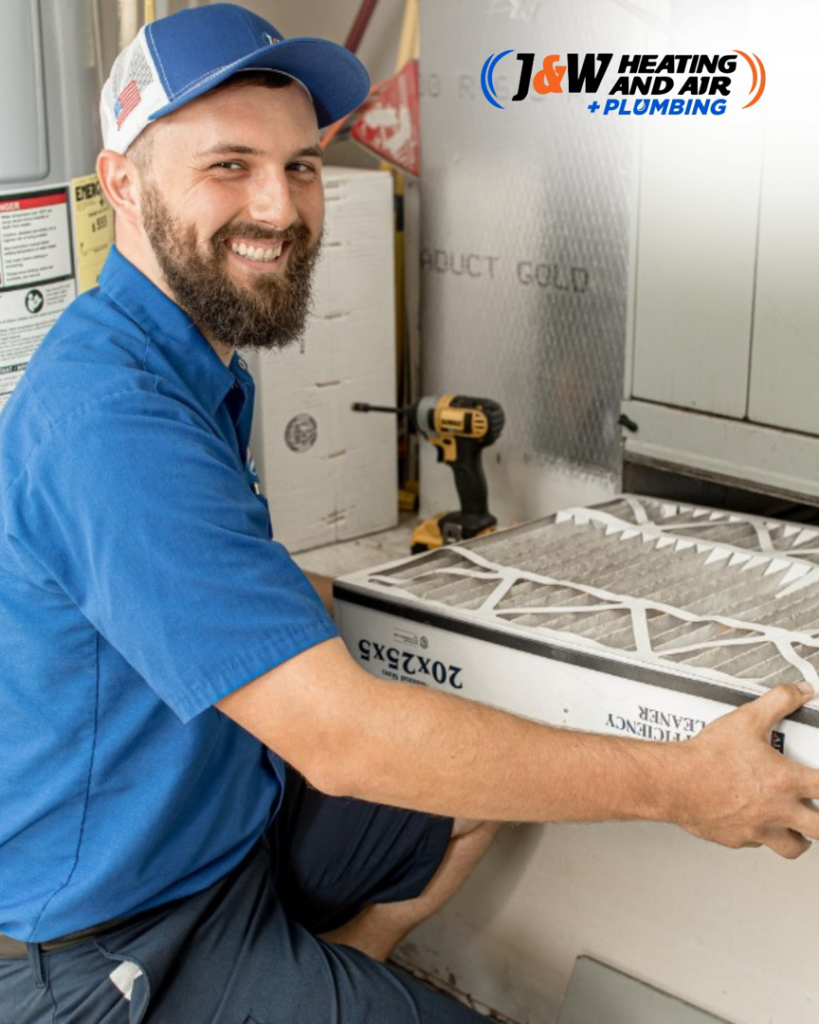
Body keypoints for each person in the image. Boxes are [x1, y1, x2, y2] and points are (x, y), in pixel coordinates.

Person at [1, 5, 818, 1022]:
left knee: (475, 772)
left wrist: (457, 608)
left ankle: (342, 971)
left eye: (301, 166)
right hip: (110, 948)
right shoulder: (110, 420)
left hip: (221, 842)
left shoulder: (187, 361)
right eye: (230, 165)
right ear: (121, 180)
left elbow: (224, 592)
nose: (281, 204)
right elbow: (342, 741)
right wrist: (686, 785)